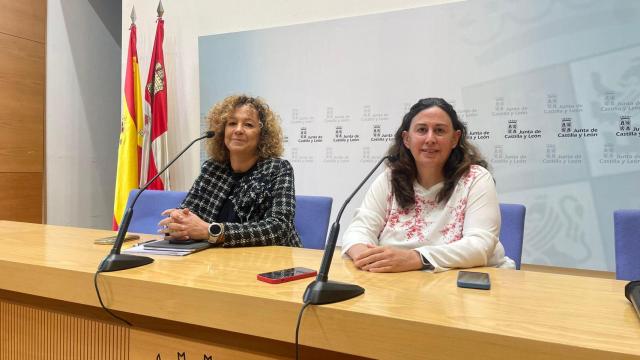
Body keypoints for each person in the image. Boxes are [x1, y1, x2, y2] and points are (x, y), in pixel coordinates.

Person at [342, 98, 515, 272]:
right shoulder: (389, 179)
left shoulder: (475, 178)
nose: (430, 138)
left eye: (439, 131)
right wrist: (366, 257)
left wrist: (416, 258)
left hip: (467, 284)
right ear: (407, 139)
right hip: (400, 282)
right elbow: (359, 229)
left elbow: (480, 246)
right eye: (422, 130)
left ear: (455, 139)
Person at [159, 95, 302, 247]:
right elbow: (189, 213)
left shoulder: (278, 169)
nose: (238, 130)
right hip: (215, 261)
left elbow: (279, 228)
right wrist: (178, 223)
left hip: (269, 262)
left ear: (262, 134)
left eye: (248, 125)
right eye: (232, 123)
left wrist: (211, 231)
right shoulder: (212, 169)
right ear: (222, 131)